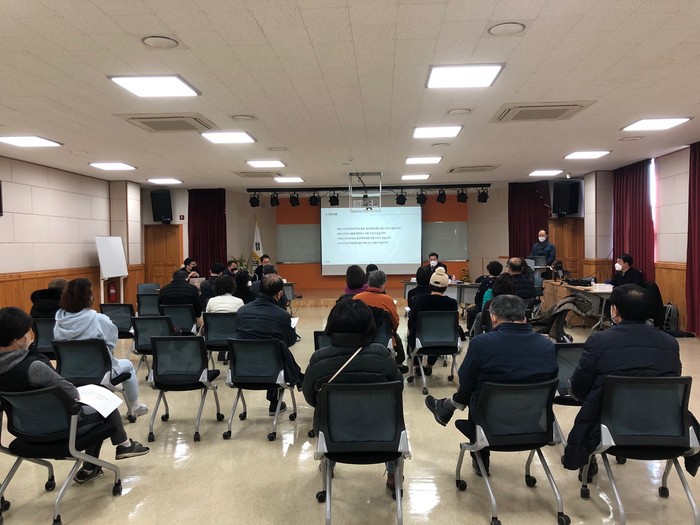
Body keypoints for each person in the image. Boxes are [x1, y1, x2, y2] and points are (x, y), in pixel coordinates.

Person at [563, 284, 700, 478]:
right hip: (665, 427)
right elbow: (670, 384)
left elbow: (580, 389)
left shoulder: (599, 341)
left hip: (612, 427)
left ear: (615, 310)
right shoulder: (670, 343)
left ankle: (588, 461)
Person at [0, 307, 149, 483]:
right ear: (19, 339)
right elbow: (71, 392)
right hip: (60, 429)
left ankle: (108, 456)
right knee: (104, 399)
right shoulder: (33, 367)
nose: (30, 335)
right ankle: (112, 452)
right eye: (27, 331)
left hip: (25, 432)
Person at [425, 295, 558, 476]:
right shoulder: (547, 346)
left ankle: (479, 455)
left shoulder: (482, 344)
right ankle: (448, 406)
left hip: (487, 427)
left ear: (493, 317)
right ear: (525, 317)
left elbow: (466, 381)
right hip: (533, 426)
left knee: (477, 390)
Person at [302, 300, 403, 493]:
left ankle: (328, 464)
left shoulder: (319, 359)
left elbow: (310, 398)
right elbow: (398, 390)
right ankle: (393, 474)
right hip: (382, 431)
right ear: (369, 326)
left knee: (326, 415)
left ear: (331, 325)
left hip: (333, 432)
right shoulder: (382, 356)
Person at [52, 279, 148, 419]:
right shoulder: (99, 319)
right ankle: (134, 406)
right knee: (128, 365)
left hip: (68, 373)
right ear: (89, 297)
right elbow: (111, 343)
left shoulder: (59, 322)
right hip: (100, 373)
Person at [235, 275, 303, 415]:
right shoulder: (281, 315)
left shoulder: (242, 311)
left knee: (271, 350)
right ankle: (275, 402)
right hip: (273, 370)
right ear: (279, 293)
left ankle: (273, 401)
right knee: (278, 350)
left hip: (242, 369)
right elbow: (290, 341)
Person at [407, 267, 460, 376]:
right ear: (446, 287)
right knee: (438, 331)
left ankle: (417, 366)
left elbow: (412, 321)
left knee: (416, 331)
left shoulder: (419, 300)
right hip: (446, 341)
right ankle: (429, 365)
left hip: (421, 341)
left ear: (430, 284)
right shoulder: (452, 303)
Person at [353, 270, 406, 370]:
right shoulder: (388, 300)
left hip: (359, 338)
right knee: (396, 337)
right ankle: (399, 364)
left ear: (368, 282)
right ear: (383, 285)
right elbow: (395, 322)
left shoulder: (356, 298)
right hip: (383, 339)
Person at [465, 261, 503, 330]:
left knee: (470, 311)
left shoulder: (485, 282)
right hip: (500, 306)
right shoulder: (502, 281)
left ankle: (471, 330)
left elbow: (477, 298)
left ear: (489, 270)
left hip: (485, 307)